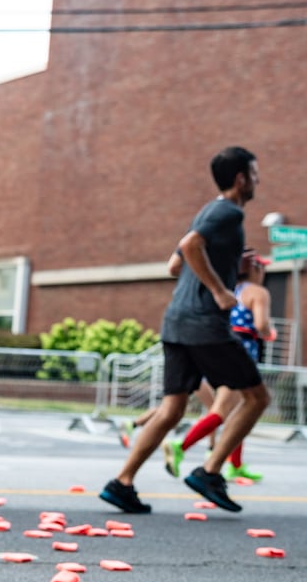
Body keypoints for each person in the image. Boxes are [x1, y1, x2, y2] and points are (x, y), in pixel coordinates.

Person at [100, 146, 270, 514]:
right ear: (241, 178)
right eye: (255, 174)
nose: (258, 180)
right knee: (257, 398)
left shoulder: (208, 210)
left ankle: (122, 482)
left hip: (176, 322)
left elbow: (174, 265)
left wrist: (227, 263)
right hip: (204, 324)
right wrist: (220, 290)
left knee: (173, 408)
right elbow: (189, 247)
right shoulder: (228, 210)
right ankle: (210, 471)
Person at [161, 250, 276, 481]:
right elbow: (261, 324)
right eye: (261, 267)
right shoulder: (257, 292)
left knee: (239, 411)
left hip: (216, 350)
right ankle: (180, 445)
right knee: (226, 411)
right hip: (239, 356)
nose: (262, 272)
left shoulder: (229, 289)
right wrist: (269, 333)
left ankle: (235, 464)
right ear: (253, 269)